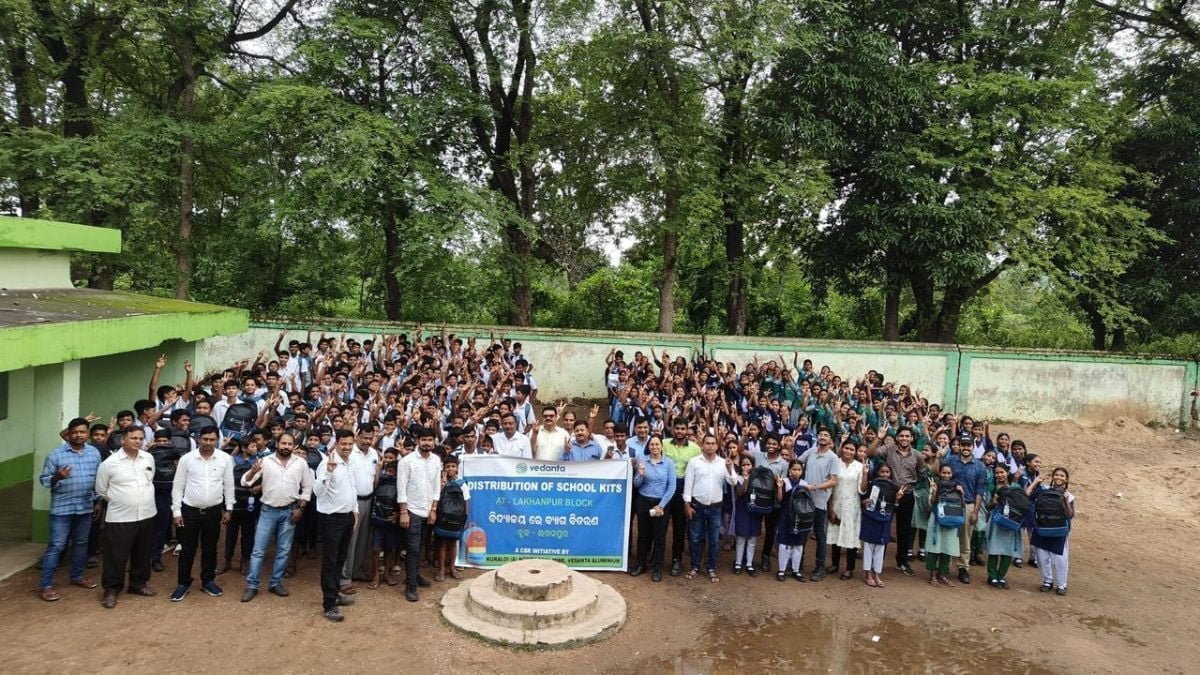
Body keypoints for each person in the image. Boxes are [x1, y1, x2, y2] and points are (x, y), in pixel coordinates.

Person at [240, 432, 312, 602]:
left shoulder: (300, 463)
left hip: (290, 511)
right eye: (283, 443)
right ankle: (252, 585)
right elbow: (245, 482)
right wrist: (252, 472)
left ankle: (276, 583)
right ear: (277, 444)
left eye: (289, 444)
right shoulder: (265, 461)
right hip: (268, 511)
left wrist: (300, 509)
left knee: (283, 550)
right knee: (258, 550)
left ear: (294, 446)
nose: (286, 447)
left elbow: (307, 487)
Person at [38, 417, 103, 602]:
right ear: (69, 434)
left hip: (85, 507)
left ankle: (77, 576)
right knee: (56, 546)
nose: (78, 435)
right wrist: (57, 477)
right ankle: (46, 585)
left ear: (87, 434)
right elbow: (44, 480)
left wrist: (98, 501)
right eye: (74, 432)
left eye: (82, 432)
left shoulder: (94, 453)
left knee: (81, 543)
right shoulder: (56, 455)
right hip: (62, 509)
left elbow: (98, 480)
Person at [94, 427, 158, 609]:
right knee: (116, 555)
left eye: (140, 438)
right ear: (123, 440)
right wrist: (122, 500)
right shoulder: (110, 463)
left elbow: (150, 479)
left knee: (143, 552)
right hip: (120, 517)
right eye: (133, 438)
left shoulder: (148, 458)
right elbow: (101, 489)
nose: (138, 441)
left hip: (147, 513)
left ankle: (138, 584)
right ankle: (111, 590)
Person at [169, 426, 234, 601]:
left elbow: (229, 485)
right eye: (205, 439)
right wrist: (176, 511)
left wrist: (229, 508)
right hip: (189, 511)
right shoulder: (187, 459)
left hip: (213, 511)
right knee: (187, 549)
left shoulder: (225, 459)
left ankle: (208, 581)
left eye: (212, 440)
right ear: (199, 439)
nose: (208, 443)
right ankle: (183, 584)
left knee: (210, 548)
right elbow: (178, 486)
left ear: (217, 440)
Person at [314, 429, 358, 621]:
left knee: (340, 558)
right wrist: (329, 472)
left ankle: (335, 594)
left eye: (350, 444)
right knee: (330, 561)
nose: (347, 447)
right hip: (331, 519)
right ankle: (329, 604)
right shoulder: (326, 463)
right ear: (336, 443)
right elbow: (317, 491)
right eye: (343, 444)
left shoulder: (350, 462)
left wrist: (355, 510)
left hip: (347, 517)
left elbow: (352, 488)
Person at [868, 424, 922, 576]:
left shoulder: (917, 455)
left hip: (907, 495)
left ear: (912, 438)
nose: (904, 438)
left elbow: (922, 473)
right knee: (883, 525)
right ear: (897, 437)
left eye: (907, 436)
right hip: (888, 493)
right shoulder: (888, 449)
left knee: (904, 530)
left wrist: (911, 487)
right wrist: (879, 438)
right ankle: (877, 561)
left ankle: (902, 562)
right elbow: (870, 453)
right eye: (901, 436)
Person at [682, 434, 737, 583]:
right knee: (695, 538)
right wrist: (687, 504)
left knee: (714, 540)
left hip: (715, 508)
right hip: (697, 506)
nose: (710, 446)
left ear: (717, 446)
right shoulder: (694, 462)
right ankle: (695, 565)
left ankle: (711, 567)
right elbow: (688, 483)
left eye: (713, 443)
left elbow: (733, 482)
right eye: (707, 443)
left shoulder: (723, 463)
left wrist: (730, 468)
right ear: (702, 445)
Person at [397, 426, 443, 602]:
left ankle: (415, 576)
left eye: (430, 440)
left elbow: (436, 486)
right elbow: (401, 488)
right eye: (423, 440)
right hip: (412, 510)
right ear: (418, 441)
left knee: (421, 546)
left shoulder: (436, 460)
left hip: (428, 510)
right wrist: (403, 512)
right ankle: (411, 586)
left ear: (434, 442)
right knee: (413, 548)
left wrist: (433, 509)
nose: (426, 443)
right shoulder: (406, 461)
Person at [340, 424, 380, 594]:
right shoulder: (349, 453)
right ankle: (344, 578)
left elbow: (374, 478)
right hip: (352, 502)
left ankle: (356, 571)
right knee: (350, 541)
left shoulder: (374, 454)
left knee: (363, 540)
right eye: (364, 437)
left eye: (370, 438)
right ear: (357, 435)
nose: (367, 441)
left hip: (369, 500)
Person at [630, 436, 675, 582]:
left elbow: (672, 487)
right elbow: (636, 484)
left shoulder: (668, 463)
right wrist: (640, 474)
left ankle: (657, 568)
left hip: (661, 503)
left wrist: (661, 505)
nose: (654, 447)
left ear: (662, 446)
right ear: (648, 447)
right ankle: (641, 564)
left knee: (659, 537)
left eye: (657, 444)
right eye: (652, 444)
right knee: (643, 535)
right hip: (643, 501)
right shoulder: (643, 461)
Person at [797, 429, 840, 581]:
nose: (822, 437)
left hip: (820, 501)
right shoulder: (811, 452)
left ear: (830, 441)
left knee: (820, 535)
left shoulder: (833, 457)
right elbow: (796, 462)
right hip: (805, 499)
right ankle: (797, 565)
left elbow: (834, 481)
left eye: (826, 435)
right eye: (821, 434)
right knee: (802, 532)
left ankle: (820, 568)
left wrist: (815, 487)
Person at [943, 435, 986, 584]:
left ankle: (963, 568)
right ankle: (944, 565)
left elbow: (980, 491)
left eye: (968, 445)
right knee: (948, 533)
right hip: (950, 502)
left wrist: (975, 511)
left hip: (968, 504)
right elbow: (939, 474)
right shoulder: (950, 460)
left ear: (973, 447)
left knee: (965, 538)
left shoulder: (979, 466)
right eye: (963, 445)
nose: (966, 448)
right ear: (959, 446)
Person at [1029, 467, 1075, 595]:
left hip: (1059, 531)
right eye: (1057, 475)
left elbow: (1070, 515)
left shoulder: (1069, 496)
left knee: (1060, 560)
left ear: (1066, 480)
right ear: (1053, 477)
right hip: (1041, 528)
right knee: (1041, 557)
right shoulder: (1043, 489)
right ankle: (1047, 581)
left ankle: (1061, 584)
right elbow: (1027, 495)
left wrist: (1066, 500)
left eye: (1062, 476)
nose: (1059, 477)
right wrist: (1036, 482)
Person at [664, 419, 701, 576]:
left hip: (683, 489)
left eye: (682, 428)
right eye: (677, 428)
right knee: (660, 525)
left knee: (679, 527)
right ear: (673, 429)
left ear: (687, 430)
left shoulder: (695, 448)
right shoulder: (664, 444)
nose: (679, 431)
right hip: (665, 488)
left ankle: (676, 559)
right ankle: (655, 558)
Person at [859, 464, 904, 589]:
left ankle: (877, 573)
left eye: (887, 472)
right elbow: (862, 496)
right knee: (868, 546)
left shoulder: (894, 488)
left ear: (890, 474)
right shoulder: (872, 484)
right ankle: (868, 573)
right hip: (870, 518)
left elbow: (893, 507)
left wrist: (897, 498)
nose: (884, 474)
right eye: (882, 471)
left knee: (880, 547)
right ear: (877, 472)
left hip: (884, 520)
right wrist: (864, 502)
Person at [221, 437, 260, 575]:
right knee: (230, 533)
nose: (255, 449)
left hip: (250, 502)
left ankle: (245, 561)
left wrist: (260, 487)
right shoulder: (231, 461)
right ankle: (227, 560)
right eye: (252, 446)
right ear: (243, 448)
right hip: (233, 501)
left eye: (256, 446)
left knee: (248, 534)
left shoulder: (259, 461)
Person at [825, 440, 863, 581]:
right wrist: (830, 508)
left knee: (850, 536)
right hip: (836, 503)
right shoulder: (835, 464)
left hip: (852, 506)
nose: (848, 451)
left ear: (855, 452)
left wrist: (865, 475)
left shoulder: (860, 467)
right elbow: (829, 488)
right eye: (846, 448)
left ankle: (849, 568)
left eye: (852, 449)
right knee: (835, 534)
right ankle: (834, 564)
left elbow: (862, 489)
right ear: (842, 449)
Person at [367, 447, 402, 589]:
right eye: (387, 471)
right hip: (378, 520)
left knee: (390, 548)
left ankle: (386, 573)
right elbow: (373, 486)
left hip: (392, 521)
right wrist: (378, 471)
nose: (388, 473)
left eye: (392, 471)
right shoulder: (380, 480)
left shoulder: (401, 483)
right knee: (376, 549)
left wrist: (399, 514)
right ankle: (376, 575)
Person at [432, 456, 470, 582]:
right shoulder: (439, 482)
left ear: (457, 468)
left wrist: (465, 518)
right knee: (441, 543)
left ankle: (452, 568)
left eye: (453, 466)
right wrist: (442, 484)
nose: (450, 469)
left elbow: (466, 502)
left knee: (453, 543)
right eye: (447, 466)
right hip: (442, 518)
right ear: (443, 468)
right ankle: (441, 569)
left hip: (456, 519)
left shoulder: (462, 484)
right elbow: (435, 497)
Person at [925, 464, 962, 588]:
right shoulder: (935, 485)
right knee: (935, 547)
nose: (946, 475)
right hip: (937, 519)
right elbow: (931, 502)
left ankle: (942, 574)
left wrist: (961, 493)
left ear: (952, 474)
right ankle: (932, 575)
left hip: (951, 520)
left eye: (949, 473)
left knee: (948, 547)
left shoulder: (956, 486)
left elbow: (960, 504)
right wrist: (934, 491)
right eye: (944, 473)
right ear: (940, 473)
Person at [774, 459, 811, 581]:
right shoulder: (784, 482)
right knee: (784, 544)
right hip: (786, 516)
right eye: (794, 469)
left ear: (802, 471)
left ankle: (796, 570)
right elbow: (780, 500)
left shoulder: (804, 484)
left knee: (798, 544)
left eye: (799, 470)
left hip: (799, 518)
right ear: (789, 470)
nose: (796, 472)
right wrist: (779, 488)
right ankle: (782, 570)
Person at [985, 464, 1020, 589]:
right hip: (996, 521)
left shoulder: (1016, 487)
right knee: (994, 548)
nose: (999, 475)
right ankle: (992, 576)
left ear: (1007, 473)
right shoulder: (992, 487)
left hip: (1011, 521)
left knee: (1008, 550)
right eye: (997, 473)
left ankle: (1001, 576)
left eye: (1002, 472)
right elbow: (987, 506)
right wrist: (994, 502)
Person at [730, 455, 761, 576]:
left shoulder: (757, 479)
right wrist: (746, 480)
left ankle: (749, 563)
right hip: (742, 509)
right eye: (743, 465)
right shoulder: (737, 478)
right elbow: (739, 492)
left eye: (748, 464)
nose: (746, 467)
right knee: (741, 537)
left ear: (752, 466)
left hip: (755, 510)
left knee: (752, 538)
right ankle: (738, 563)